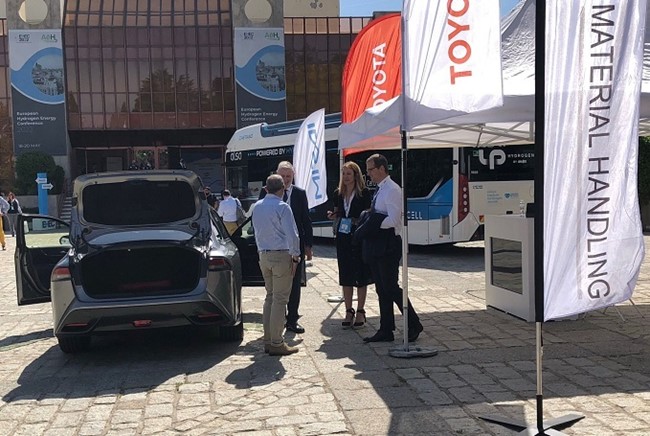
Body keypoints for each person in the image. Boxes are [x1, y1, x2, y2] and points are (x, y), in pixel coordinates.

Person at [355, 154, 424, 343]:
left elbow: (394, 220)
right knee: (381, 288)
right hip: (378, 243)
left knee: (391, 287)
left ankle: (414, 323)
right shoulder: (380, 189)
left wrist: (373, 222)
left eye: (371, 169)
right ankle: (386, 329)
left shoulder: (392, 189)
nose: (368, 174)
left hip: (388, 244)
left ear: (382, 169)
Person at [259, 161, 313, 334]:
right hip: (276, 249)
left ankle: (292, 320)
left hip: (293, 247)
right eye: (283, 176)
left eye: (289, 176)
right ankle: (277, 323)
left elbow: (306, 220)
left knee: (295, 285)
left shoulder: (299, 193)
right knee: (275, 292)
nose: (286, 179)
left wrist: (307, 246)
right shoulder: (265, 194)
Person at [252, 174, 301, 356]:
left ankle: (267, 339)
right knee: (280, 300)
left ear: (266, 189)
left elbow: (256, 232)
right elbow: (292, 235)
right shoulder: (283, 207)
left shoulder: (256, 207)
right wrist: (296, 256)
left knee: (270, 297)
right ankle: (276, 342)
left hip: (263, 254)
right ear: (282, 189)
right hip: (281, 255)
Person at [327, 162, 373, 329]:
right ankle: (348, 310)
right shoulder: (338, 193)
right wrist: (334, 215)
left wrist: (357, 220)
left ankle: (361, 311)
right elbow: (338, 211)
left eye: (348, 174)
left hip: (359, 235)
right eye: (344, 174)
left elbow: (369, 214)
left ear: (355, 175)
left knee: (361, 273)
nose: (345, 177)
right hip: (343, 236)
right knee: (345, 273)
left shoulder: (364, 193)